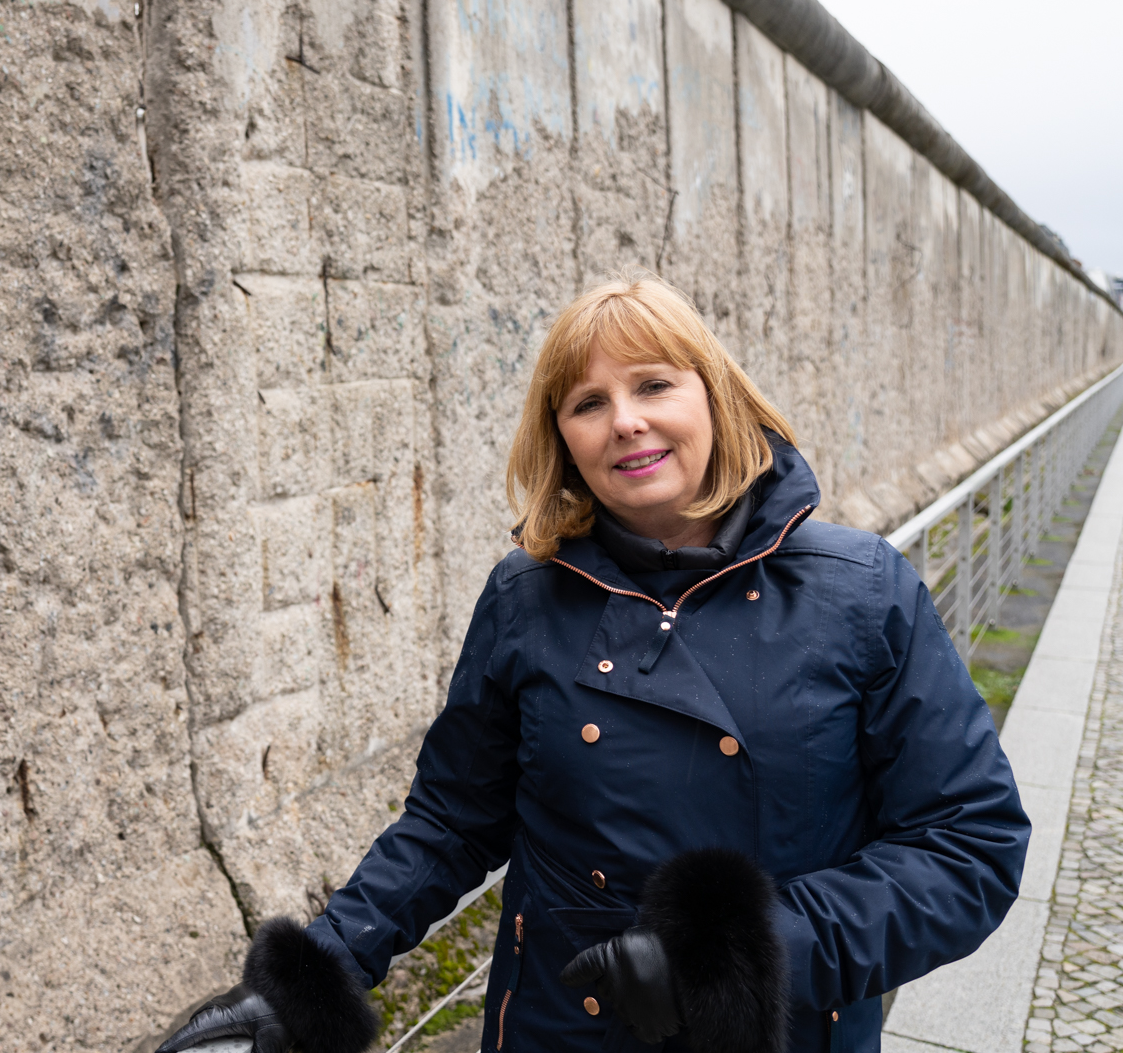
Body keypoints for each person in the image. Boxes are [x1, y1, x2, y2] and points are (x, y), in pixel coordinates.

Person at [157, 275, 1028, 1053]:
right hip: (557, 1023)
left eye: (654, 385)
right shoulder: (524, 597)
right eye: (587, 403)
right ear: (562, 437)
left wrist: (743, 956)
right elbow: (452, 821)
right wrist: (319, 975)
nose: (626, 421)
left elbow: (969, 846)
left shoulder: (860, 589)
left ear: (716, 398)